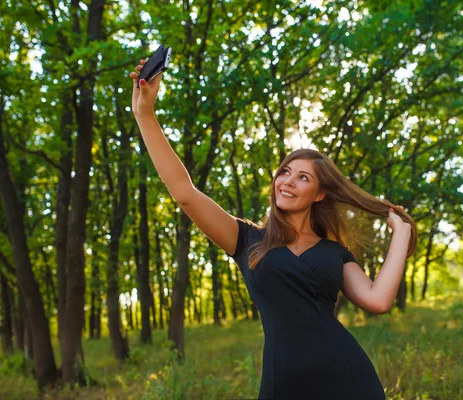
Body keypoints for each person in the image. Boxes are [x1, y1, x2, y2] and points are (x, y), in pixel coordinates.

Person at [130, 59, 417, 400]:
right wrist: (145, 116)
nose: (288, 182)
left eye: (303, 177)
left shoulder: (334, 252)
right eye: (285, 171)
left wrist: (401, 234)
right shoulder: (246, 239)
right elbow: (184, 194)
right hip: (285, 383)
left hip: (348, 379)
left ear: (320, 194)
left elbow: (378, 300)